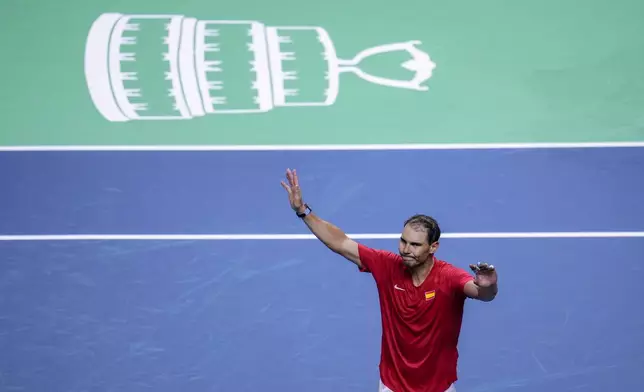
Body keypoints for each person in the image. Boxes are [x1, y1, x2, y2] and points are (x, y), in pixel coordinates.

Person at [280, 168, 499, 392]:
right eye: (403, 241)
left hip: (438, 387)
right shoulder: (386, 265)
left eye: (415, 245)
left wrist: (489, 284)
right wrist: (303, 211)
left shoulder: (449, 276)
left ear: (433, 247)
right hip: (392, 386)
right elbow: (341, 242)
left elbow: (482, 294)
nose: (406, 249)